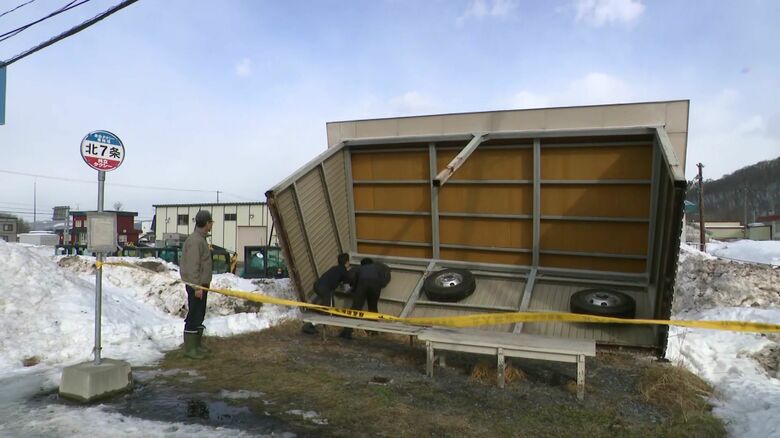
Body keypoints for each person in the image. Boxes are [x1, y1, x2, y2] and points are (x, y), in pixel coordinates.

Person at [180, 210, 214, 359]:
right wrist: (197, 287)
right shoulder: (195, 241)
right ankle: (190, 349)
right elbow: (193, 265)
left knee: (199, 314)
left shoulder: (200, 239)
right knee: (194, 315)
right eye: (211, 222)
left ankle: (197, 345)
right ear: (206, 223)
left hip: (202, 285)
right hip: (197, 286)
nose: (211, 225)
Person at [339, 258, 391, 339]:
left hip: (363, 283)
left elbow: (354, 280)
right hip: (376, 285)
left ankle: (347, 331)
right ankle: (374, 331)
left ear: (362, 264)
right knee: (373, 308)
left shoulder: (359, 268)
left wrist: (354, 290)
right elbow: (384, 279)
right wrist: (380, 285)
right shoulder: (379, 267)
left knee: (356, 308)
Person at [302, 252, 351, 335]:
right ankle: (310, 325)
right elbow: (346, 289)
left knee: (327, 308)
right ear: (347, 262)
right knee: (327, 310)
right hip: (325, 289)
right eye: (348, 262)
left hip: (318, 285)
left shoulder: (334, 268)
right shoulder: (344, 271)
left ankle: (312, 320)